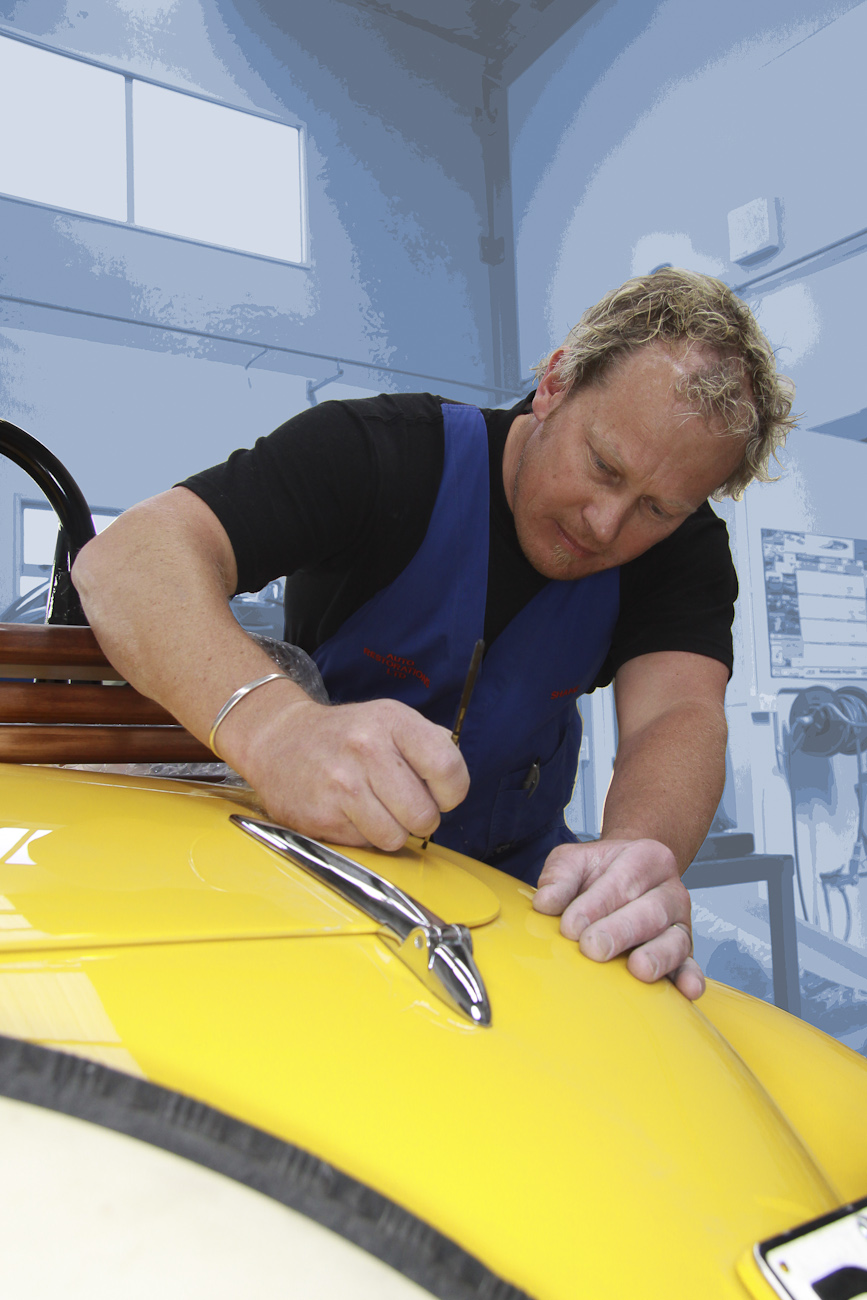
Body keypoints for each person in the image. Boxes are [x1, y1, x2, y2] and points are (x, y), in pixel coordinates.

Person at [71, 268, 796, 1001]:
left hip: (523, 902)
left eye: (656, 509)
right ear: (554, 383)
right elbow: (129, 558)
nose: (604, 525)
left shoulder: (684, 551)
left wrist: (636, 858)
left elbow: (677, 714)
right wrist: (275, 729)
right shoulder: (381, 454)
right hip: (321, 874)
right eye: (602, 466)